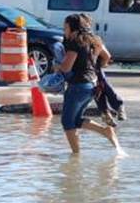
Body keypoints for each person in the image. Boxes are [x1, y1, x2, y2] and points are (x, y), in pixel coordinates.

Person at [53, 14, 121, 154]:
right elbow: (107, 57)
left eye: (66, 27)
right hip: (91, 86)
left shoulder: (75, 43)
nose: (64, 30)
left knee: (67, 122)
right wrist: (95, 67)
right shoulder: (93, 40)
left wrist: (56, 67)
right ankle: (105, 131)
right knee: (76, 120)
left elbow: (66, 68)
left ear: (74, 29)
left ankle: (76, 155)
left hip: (78, 86)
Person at [79, 14, 127, 126]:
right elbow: (107, 56)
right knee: (102, 90)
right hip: (94, 69)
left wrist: (99, 65)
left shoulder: (91, 40)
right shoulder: (93, 39)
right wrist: (100, 65)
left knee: (101, 90)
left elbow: (106, 56)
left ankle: (110, 112)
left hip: (91, 71)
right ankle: (113, 111)